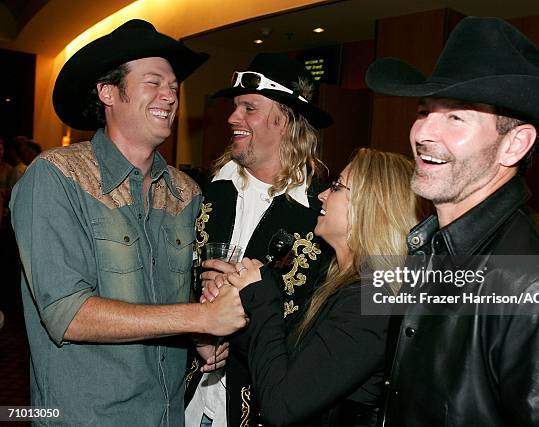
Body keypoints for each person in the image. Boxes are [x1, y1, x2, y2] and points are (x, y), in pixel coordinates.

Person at [365, 16, 539, 425]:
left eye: (456, 117)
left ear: (514, 145)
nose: (424, 132)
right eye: (424, 111)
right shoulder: (429, 247)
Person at [10, 19, 247, 426]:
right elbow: (68, 314)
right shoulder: (56, 177)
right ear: (108, 92)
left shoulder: (185, 193)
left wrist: (201, 338)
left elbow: (174, 301)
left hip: (169, 415)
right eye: (153, 82)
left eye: (173, 86)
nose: (169, 95)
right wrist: (200, 319)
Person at [204, 148, 422, 426]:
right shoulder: (338, 283)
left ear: (369, 207)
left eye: (337, 187)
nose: (322, 195)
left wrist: (261, 292)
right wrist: (231, 308)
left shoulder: (371, 302)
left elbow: (281, 405)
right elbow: (284, 362)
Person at [185, 53, 334, 427]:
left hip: (264, 409)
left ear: (283, 120)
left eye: (248, 108)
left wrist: (244, 300)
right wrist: (198, 313)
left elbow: (331, 326)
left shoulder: (325, 212)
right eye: (235, 107)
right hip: (188, 397)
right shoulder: (204, 192)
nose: (233, 118)